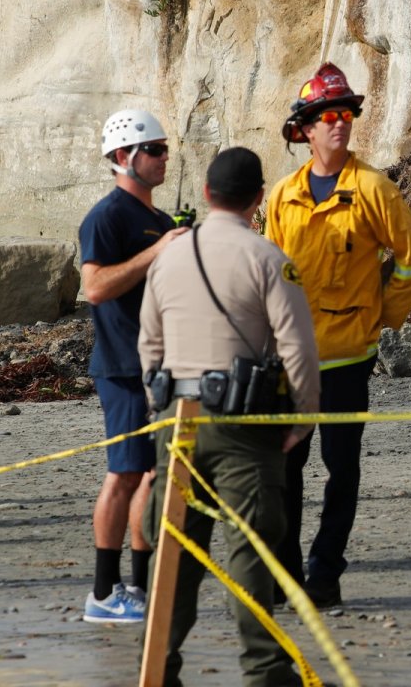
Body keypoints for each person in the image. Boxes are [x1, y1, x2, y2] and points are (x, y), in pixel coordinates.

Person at [139, 146, 320, 687]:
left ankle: (159, 667)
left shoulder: (168, 257)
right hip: (245, 424)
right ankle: (265, 671)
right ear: (258, 198)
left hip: (176, 419)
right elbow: (299, 350)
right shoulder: (268, 258)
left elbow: (148, 344)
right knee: (251, 545)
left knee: (172, 547)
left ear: (206, 195)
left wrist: (160, 410)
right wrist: (304, 419)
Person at [267, 62, 411, 607]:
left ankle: (325, 573)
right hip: (291, 360)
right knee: (285, 470)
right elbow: (269, 271)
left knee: (341, 469)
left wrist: (383, 316)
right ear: (306, 130)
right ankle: (285, 573)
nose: (339, 124)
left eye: (345, 114)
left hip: (346, 358)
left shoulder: (372, 189)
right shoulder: (283, 196)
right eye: (327, 117)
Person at [79, 110, 190, 623]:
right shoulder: (107, 217)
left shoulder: (161, 221)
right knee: (123, 475)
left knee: (151, 475)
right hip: (122, 368)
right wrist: (159, 252)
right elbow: (95, 287)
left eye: (165, 148)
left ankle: (141, 587)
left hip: (159, 368)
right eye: (156, 149)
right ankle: (103, 593)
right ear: (125, 157)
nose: (165, 157)